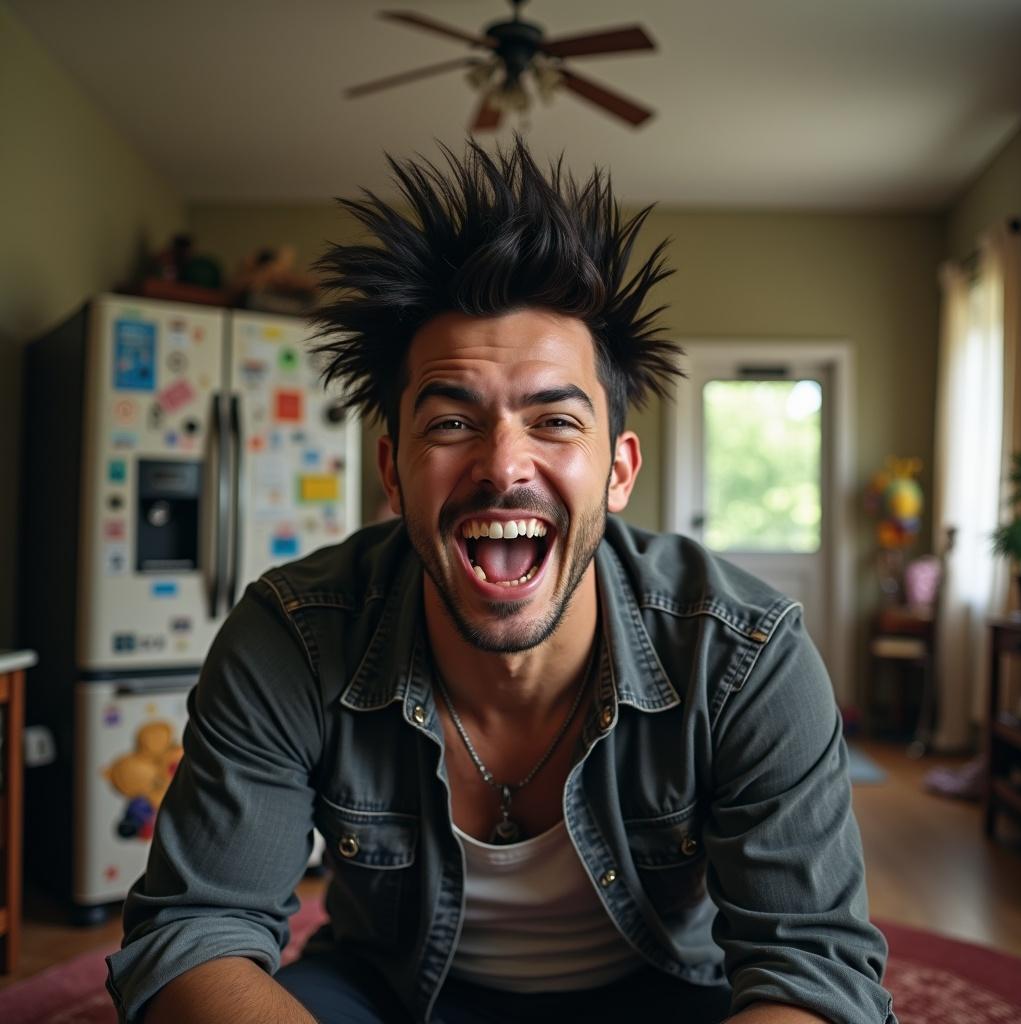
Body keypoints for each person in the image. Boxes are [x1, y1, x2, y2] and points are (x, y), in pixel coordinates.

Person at [107, 140, 894, 1024]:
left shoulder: (746, 651)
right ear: (394, 471)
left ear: (618, 471)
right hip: (389, 992)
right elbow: (194, 929)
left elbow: (814, 971)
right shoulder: (292, 631)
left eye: (555, 420)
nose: (503, 465)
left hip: (668, 994)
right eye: (450, 420)